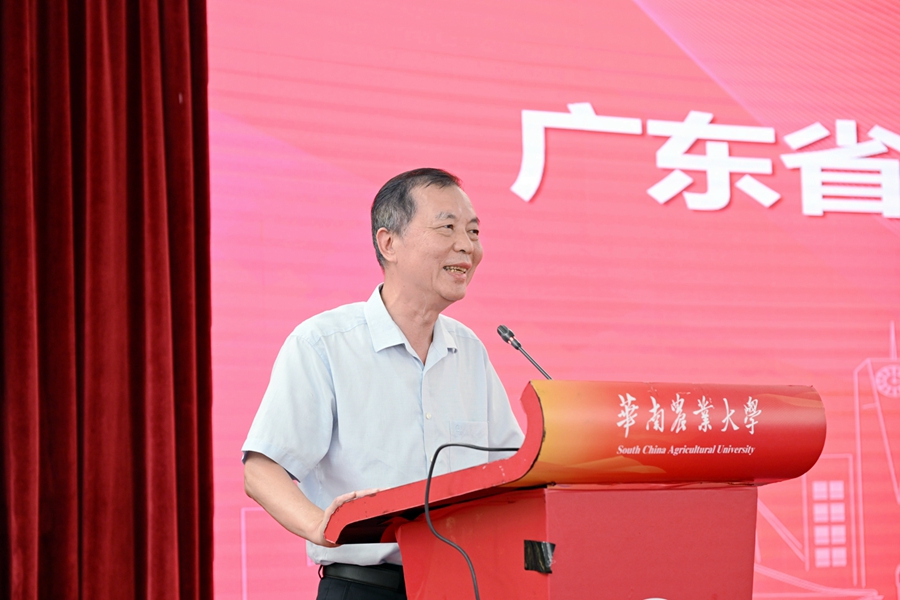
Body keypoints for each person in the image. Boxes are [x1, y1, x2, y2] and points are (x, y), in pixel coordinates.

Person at [242, 168, 524, 599]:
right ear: (388, 243)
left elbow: (511, 470)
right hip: (366, 588)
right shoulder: (324, 343)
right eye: (447, 227)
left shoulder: (469, 351)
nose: (467, 246)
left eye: (473, 231)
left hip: (461, 587)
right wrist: (320, 525)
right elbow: (262, 470)